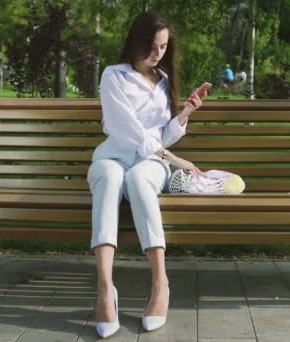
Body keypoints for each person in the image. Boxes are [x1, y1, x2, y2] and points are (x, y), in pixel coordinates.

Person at [88, 12, 206, 338]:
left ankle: (160, 283)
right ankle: (104, 289)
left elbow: (161, 136)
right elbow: (126, 129)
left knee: (139, 180)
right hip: (113, 156)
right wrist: (171, 157)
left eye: (164, 47)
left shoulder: (164, 80)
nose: (158, 54)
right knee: (110, 178)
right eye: (152, 46)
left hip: (149, 164)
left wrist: (184, 113)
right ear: (135, 43)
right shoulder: (113, 76)